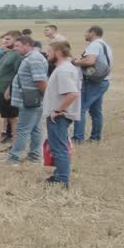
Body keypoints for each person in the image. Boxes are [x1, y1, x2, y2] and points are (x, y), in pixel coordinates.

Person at [4, 35, 48, 165]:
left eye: (18, 46)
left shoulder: (34, 59)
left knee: (22, 129)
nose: (16, 49)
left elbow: (40, 81)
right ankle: (34, 155)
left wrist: (46, 97)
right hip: (32, 99)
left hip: (30, 100)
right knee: (35, 128)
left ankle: (13, 158)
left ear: (27, 45)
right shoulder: (31, 58)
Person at [43, 41, 82, 187]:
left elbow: (72, 94)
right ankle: (58, 175)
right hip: (59, 115)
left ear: (58, 52)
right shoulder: (65, 68)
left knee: (59, 149)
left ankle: (62, 181)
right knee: (57, 147)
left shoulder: (63, 70)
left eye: (49, 51)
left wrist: (58, 111)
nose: (47, 54)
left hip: (59, 117)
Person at [71, 26, 112, 143]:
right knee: (96, 111)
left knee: (80, 109)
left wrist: (76, 62)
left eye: (86, 32)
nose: (85, 35)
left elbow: (90, 61)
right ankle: (95, 137)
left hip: (93, 82)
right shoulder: (105, 45)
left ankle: (78, 138)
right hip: (102, 81)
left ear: (92, 33)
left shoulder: (94, 45)